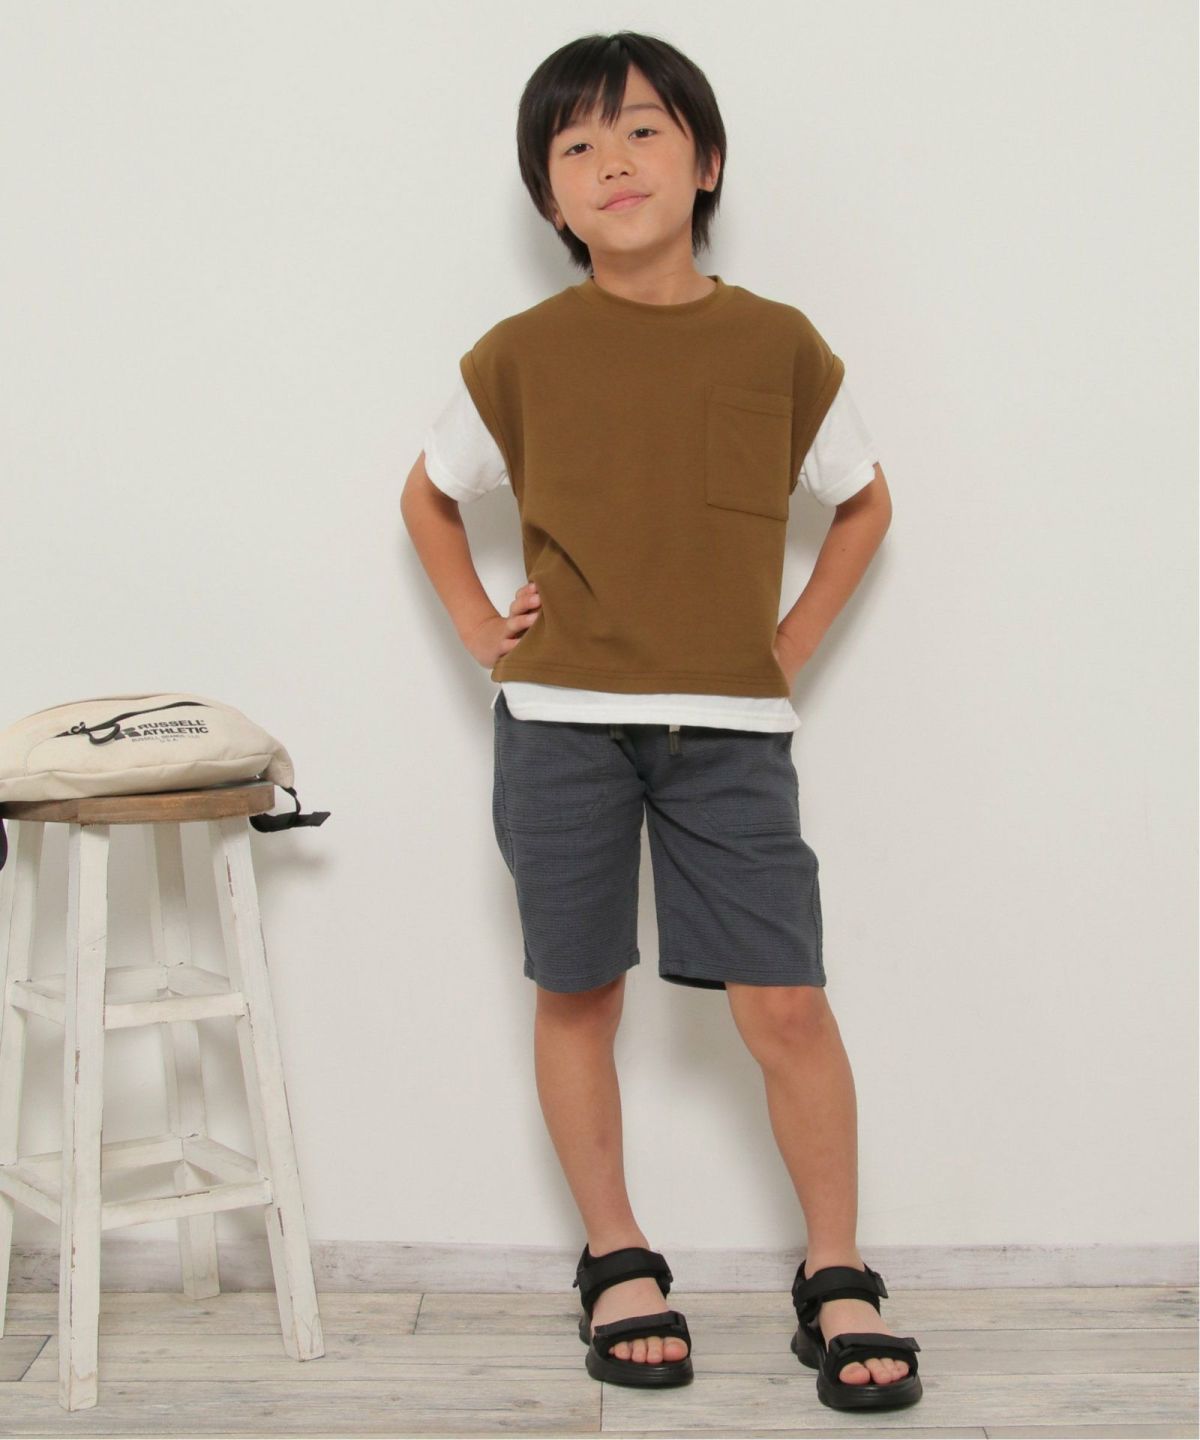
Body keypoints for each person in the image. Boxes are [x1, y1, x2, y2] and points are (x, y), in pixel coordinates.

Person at [401, 30, 923, 1413]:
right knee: (578, 987)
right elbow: (428, 496)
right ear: (550, 199)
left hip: (730, 734)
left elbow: (864, 500)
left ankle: (836, 1270)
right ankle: (618, 1256)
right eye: (575, 146)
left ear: (706, 162)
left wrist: (791, 642)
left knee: (787, 1001)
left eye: (641, 129)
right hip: (558, 722)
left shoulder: (778, 342)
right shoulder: (520, 354)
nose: (612, 161)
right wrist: (479, 628)